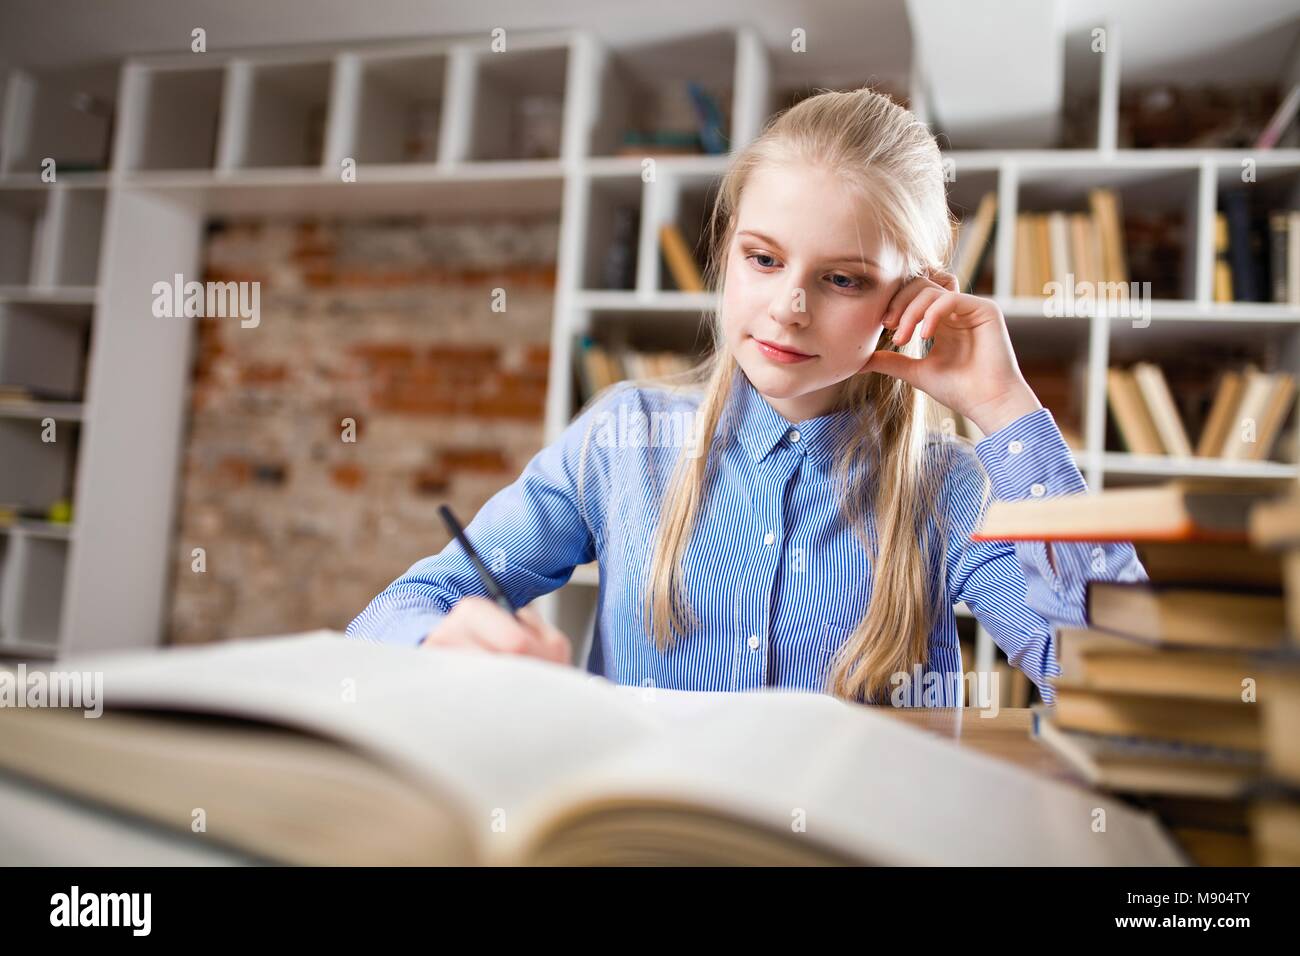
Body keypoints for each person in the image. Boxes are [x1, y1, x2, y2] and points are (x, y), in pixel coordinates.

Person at [347, 87, 1147, 706]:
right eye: (764, 260)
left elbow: (1126, 692)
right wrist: (446, 639)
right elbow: (404, 606)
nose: (790, 307)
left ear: (914, 299)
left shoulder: (949, 489)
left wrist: (1005, 409)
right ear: (726, 250)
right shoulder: (624, 441)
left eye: (842, 279)